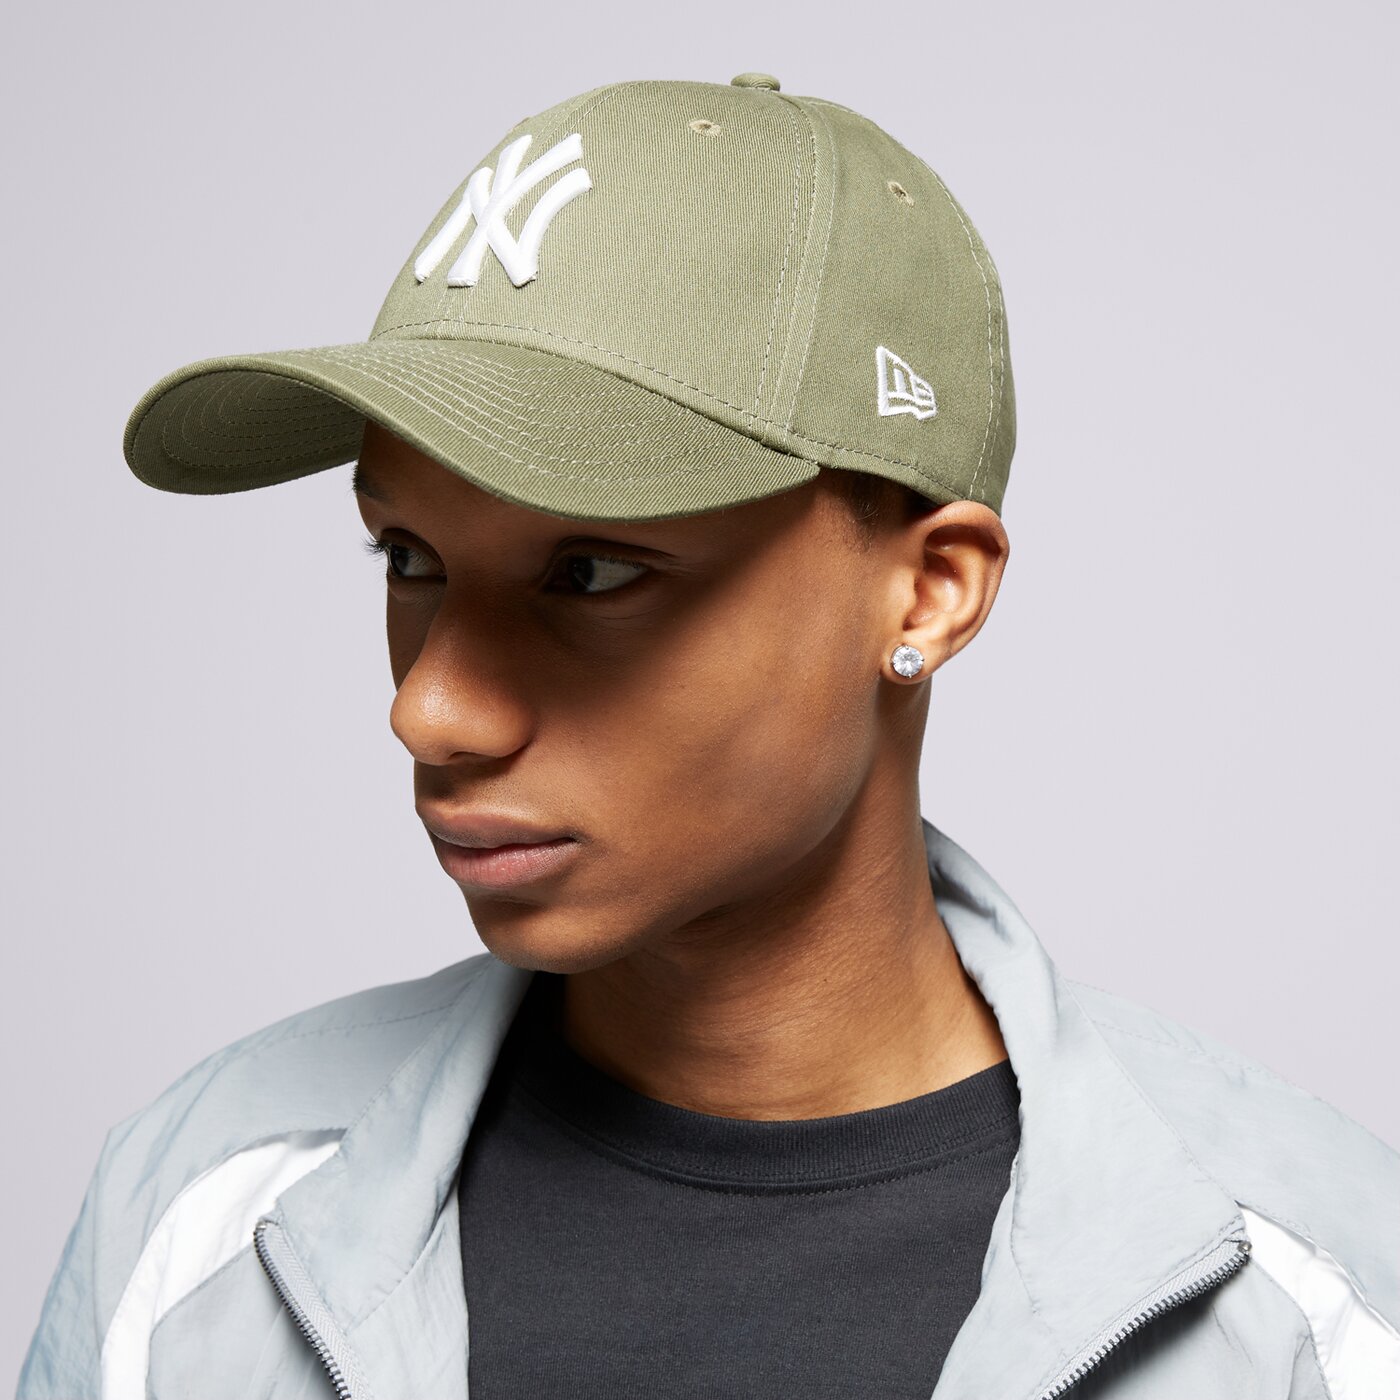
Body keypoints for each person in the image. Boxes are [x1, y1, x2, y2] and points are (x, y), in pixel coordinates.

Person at [17, 70, 1398, 1400]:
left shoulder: (1319, 1300)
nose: (427, 710)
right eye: (409, 557)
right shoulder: (196, 1212)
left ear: (930, 591)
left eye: (592, 572)